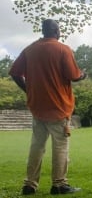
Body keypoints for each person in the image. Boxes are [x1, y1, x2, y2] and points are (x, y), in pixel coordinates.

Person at [9, 19, 86, 195]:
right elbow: (74, 76)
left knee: (36, 146)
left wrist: (28, 90)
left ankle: (29, 185)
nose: (59, 33)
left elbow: (15, 73)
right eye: (58, 29)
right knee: (60, 146)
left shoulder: (29, 50)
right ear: (55, 31)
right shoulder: (62, 49)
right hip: (59, 107)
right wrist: (83, 76)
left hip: (37, 107)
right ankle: (59, 184)